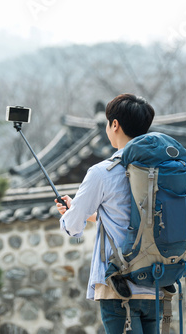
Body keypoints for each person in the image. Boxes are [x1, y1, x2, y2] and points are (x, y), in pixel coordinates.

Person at [55, 93, 159, 333]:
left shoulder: (102, 172)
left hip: (119, 285)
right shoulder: (159, 171)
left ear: (115, 125)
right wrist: (90, 214)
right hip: (155, 282)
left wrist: (69, 215)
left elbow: (73, 227)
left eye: (107, 123)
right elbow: (130, 218)